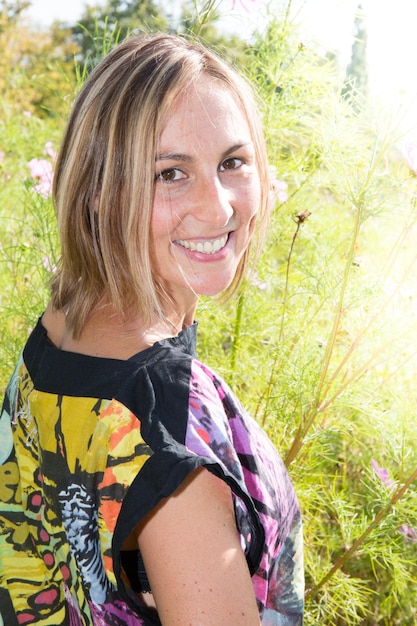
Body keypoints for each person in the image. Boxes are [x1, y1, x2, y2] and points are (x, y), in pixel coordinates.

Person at [0, 33, 304, 625]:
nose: (217, 209)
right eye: (170, 173)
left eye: (232, 162)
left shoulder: (63, 328)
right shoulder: (167, 439)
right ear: (95, 192)